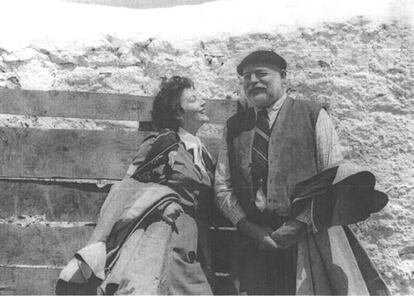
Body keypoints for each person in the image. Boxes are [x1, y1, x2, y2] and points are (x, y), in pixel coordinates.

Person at [214, 50, 390, 295]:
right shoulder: (234, 127)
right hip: (255, 245)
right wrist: (249, 228)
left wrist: (296, 227)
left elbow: (334, 179)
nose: (253, 81)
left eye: (261, 74)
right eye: (246, 77)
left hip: (309, 240)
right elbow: (223, 187)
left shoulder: (313, 115)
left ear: (283, 77)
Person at [56, 76, 215, 295]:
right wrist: (162, 203)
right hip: (160, 237)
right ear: (178, 113)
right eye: (193, 99)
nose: (203, 102)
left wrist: (207, 255)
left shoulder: (204, 154)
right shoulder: (162, 143)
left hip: (189, 243)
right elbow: (128, 186)